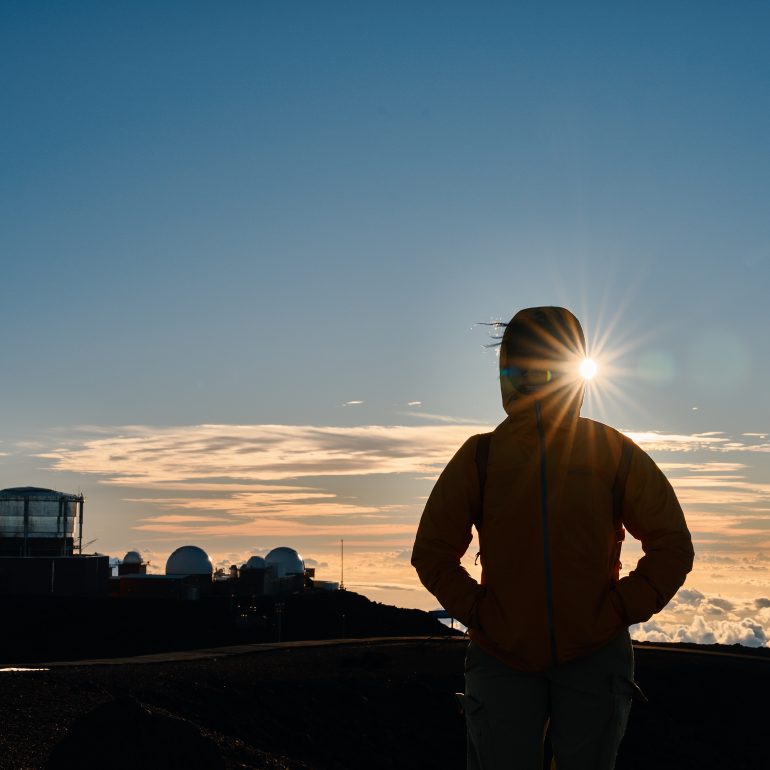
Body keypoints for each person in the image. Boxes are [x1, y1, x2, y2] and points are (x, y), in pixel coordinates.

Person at [411, 306, 694, 770]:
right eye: (524, 362)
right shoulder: (481, 457)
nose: (536, 372)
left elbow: (672, 545)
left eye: (549, 361)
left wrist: (616, 612)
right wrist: (482, 615)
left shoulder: (610, 452)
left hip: (592, 659)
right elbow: (432, 552)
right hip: (504, 658)